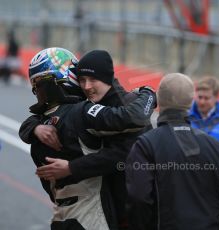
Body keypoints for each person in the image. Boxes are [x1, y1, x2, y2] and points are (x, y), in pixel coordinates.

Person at [19, 47, 156, 230]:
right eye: (82, 79)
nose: (85, 86)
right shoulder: (77, 112)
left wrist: (33, 128)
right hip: (93, 216)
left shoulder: (43, 122)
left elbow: (128, 151)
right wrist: (149, 93)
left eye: (92, 79)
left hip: (71, 216)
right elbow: (126, 145)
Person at [126, 73, 219, 230]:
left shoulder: (145, 145)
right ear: (191, 100)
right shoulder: (216, 147)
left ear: (159, 100)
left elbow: (139, 198)